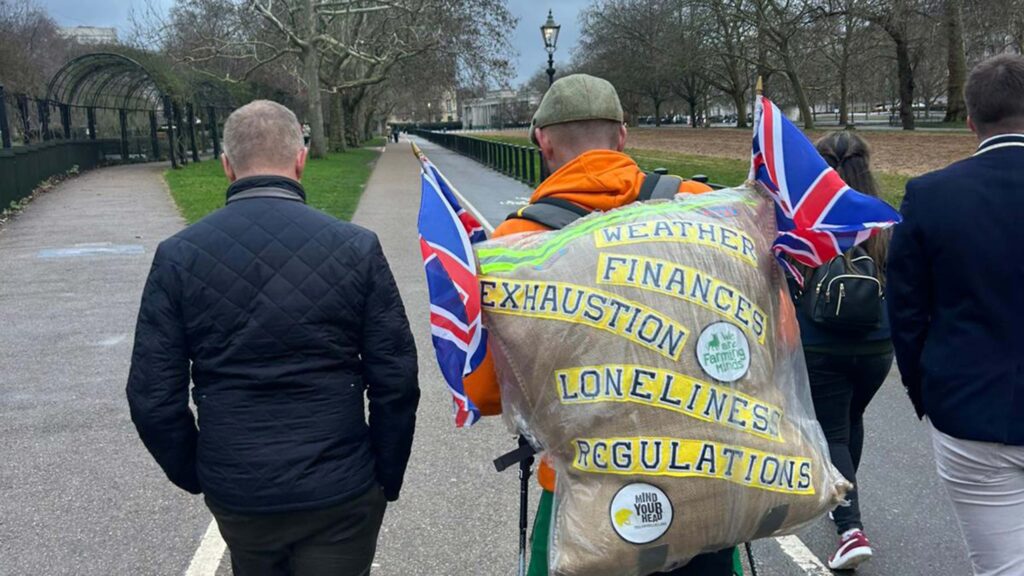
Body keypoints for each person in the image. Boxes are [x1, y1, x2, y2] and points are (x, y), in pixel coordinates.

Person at [126, 100, 419, 576]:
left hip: (240, 489)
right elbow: (396, 378)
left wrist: (198, 471)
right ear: (300, 158)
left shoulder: (178, 257)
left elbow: (152, 396)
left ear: (227, 166)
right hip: (339, 484)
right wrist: (385, 472)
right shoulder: (356, 248)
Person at [463, 74, 734, 576]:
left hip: (587, 500)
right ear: (623, 136)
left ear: (542, 141)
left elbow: (486, 392)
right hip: (706, 489)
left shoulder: (516, 242)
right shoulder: (702, 207)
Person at [888, 53, 1024, 576]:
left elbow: (906, 312)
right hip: (969, 410)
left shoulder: (931, 195)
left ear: (970, 121)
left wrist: (928, 394)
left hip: (968, 412)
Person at [790, 131, 892, 570]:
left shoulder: (807, 216)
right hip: (876, 346)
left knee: (832, 431)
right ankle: (845, 499)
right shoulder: (883, 218)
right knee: (850, 421)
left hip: (821, 342)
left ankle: (850, 526)